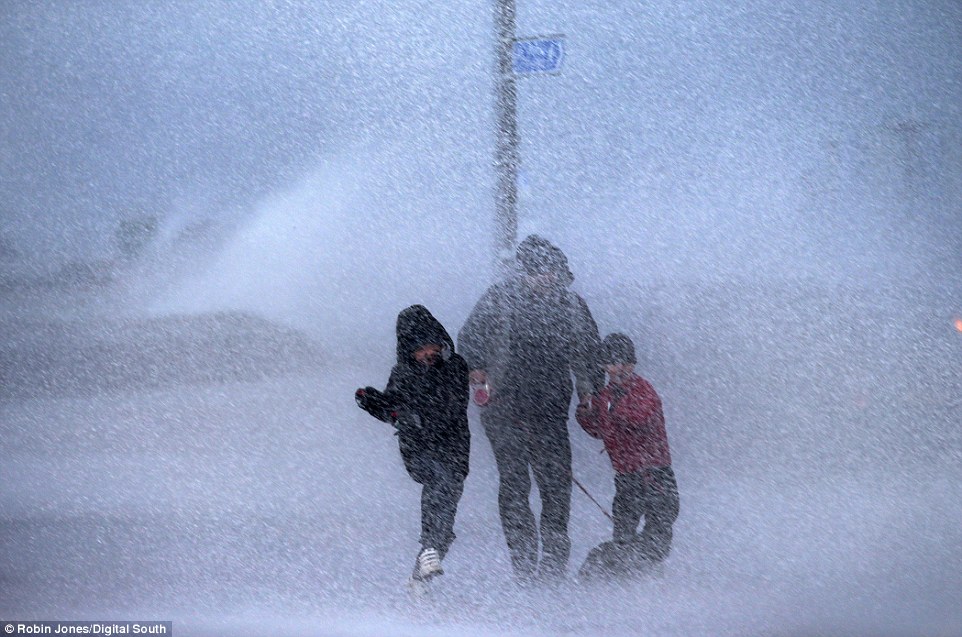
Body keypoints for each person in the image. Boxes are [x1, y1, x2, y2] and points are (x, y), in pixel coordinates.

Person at [458, 235, 603, 582]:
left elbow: (588, 351)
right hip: (503, 408)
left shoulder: (571, 306)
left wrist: (590, 391)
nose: (544, 278)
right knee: (514, 484)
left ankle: (553, 566)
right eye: (537, 271)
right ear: (523, 272)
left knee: (555, 486)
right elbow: (469, 337)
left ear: (559, 272)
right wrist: (474, 367)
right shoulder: (499, 298)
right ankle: (523, 565)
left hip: (550, 408)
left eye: (550, 271)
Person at [355, 305, 470, 585]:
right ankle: (430, 546)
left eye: (433, 346)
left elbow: (451, 406)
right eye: (420, 349)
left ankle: (421, 574)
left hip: (452, 447)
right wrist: (375, 404)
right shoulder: (403, 374)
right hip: (418, 450)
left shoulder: (455, 367)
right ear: (409, 350)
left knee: (447, 506)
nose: (428, 353)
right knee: (437, 483)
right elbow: (393, 409)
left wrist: (412, 416)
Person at [575, 332, 680, 579]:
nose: (617, 368)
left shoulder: (643, 390)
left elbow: (639, 418)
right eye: (611, 363)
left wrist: (609, 408)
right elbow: (599, 430)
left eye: (623, 362)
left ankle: (627, 569)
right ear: (604, 366)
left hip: (656, 475)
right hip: (626, 478)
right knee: (624, 533)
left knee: (658, 537)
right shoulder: (605, 396)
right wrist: (586, 413)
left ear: (632, 364)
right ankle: (616, 576)